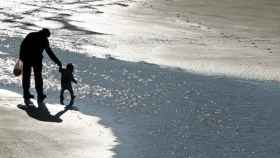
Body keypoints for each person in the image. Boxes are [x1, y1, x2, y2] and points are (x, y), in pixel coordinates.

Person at [19, 28, 62, 105]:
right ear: (45, 34)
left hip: (26, 58)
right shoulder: (44, 40)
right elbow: (49, 53)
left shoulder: (31, 35)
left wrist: (21, 57)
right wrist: (58, 62)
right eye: (47, 37)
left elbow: (22, 46)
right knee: (38, 77)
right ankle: (40, 95)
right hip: (36, 60)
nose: (46, 38)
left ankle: (26, 94)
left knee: (26, 76)